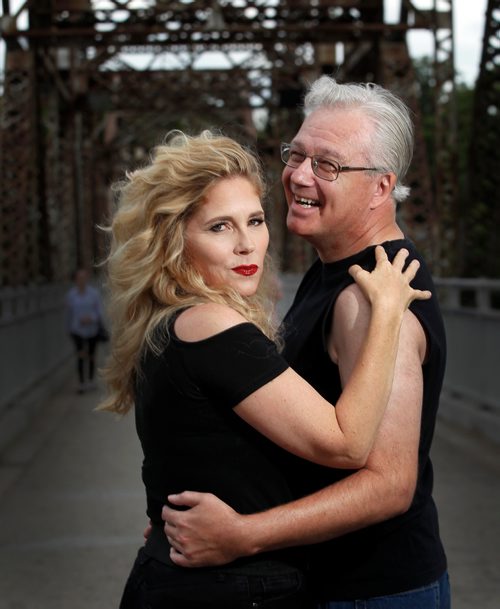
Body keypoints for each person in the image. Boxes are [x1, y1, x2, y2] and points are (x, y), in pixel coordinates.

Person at [98, 129, 430, 609]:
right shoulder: (211, 324)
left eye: (254, 220)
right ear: (174, 241)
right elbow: (349, 442)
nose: (246, 245)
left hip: (188, 580)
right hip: (228, 590)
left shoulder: (172, 323)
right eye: (219, 227)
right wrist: (386, 311)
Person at [162, 78, 451, 609]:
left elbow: (389, 484)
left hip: (371, 590)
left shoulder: (369, 297)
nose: (297, 176)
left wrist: (242, 534)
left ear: (382, 188)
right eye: (296, 154)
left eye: (328, 165)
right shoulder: (333, 271)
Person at [65, 268, 105, 394]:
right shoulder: (71, 295)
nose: (81, 280)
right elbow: (68, 314)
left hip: (92, 329)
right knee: (81, 355)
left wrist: (91, 318)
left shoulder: (94, 294)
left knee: (92, 355)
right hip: (77, 329)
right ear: (76, 280)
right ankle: (82, 382)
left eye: (83, 278)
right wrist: (69, 329)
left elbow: (99, 312)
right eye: (79, 278)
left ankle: (91, 380)